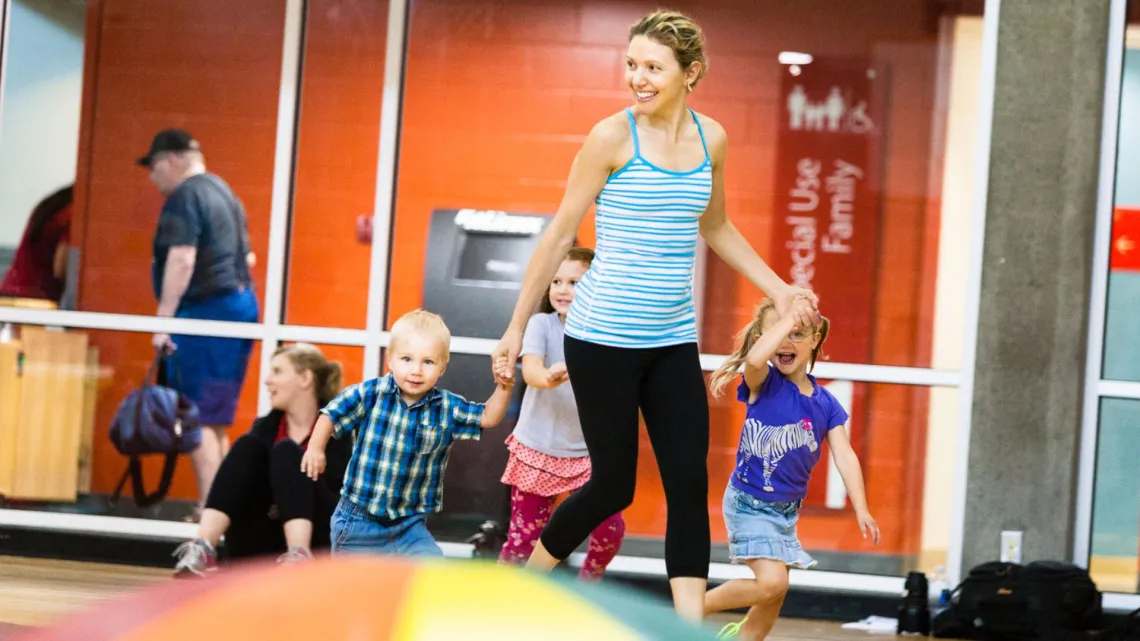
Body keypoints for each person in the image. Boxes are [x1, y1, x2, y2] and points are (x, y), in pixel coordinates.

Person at [489, 9, 819, 621]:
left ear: (690, 73)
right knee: (613, 484)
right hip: (602, 339)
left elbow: (715, 225)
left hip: (670, 339)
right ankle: (525, 592)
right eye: (632, 65)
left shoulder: (711, 138)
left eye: (652, 68)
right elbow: (561, 232)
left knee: (688, 485)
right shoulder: (612, 137)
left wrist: (781, 287)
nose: (637, 79)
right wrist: (514, 327)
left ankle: (685, 629)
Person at [704, 300, 879, 640]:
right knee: (772, 583)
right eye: (777, 333)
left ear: (815, 339)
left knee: (773, 595)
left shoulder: (825, 402)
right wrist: (786, 322)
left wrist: (862, 507)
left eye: (797, 333)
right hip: (748, 503)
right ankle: (689, 607)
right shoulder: (765, 382)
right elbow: (754, 359)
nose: (786, 343)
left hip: (785, 512)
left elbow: (844, 455)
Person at [301, 309, 514, 556]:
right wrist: (316, 448)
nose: (416, 370)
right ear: (390, 359)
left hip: (409, 527)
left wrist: (504, 386)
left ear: (443, 366)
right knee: (359, 590)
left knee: (430, 574)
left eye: (428, 362)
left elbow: (488, 416)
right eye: (407, 359)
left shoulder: (445, 408)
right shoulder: (372, 394)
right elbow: (332, 413)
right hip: (359, 522)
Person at [139, 128, 260, 516]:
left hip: (208, 310)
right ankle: (223, 509)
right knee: (216, 418)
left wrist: (163, 320)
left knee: (198, 415)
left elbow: (182, 258)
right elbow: (250, 257)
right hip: (238, 305)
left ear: (173, 159)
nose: (152, 176)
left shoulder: (186, 196)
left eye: (154, 166)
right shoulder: (223, 191)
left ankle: (212, 513)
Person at [497, 246, 625, 579]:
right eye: (556, 281)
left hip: (587, 455)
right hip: (538, 449)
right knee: (522, 542)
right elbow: (532, 371)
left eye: (574, 282)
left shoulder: (609, 331)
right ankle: (503, 600)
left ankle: (588, 587)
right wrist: (548, 378)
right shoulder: (542, 324)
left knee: (610, 531)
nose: (563, 290)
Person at [172, 343, 350, 577]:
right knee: (247, 445)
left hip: (321, 543)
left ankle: (300, 555)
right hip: (264, 540)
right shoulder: (264, 429)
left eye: (277, 372)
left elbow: (341, 502)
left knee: (287, 451)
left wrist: (292, 496)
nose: (267, 381)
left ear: (305, 379)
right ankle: (203, 548)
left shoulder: (338, 431)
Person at [0, 185, 73, 303]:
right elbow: (61, 268)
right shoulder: (74, 211)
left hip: (10, 293)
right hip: (36, 302)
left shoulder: (58, 202)